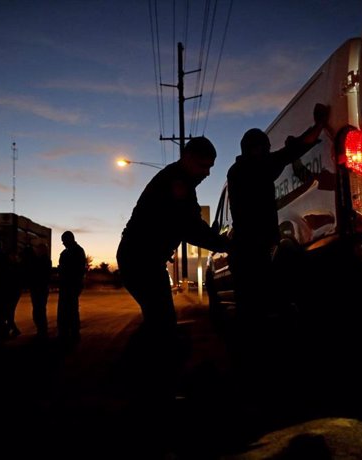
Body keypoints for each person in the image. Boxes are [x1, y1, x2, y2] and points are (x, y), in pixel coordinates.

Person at [116, 136, 229, 412]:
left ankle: (142, 380)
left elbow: (191, 226)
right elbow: (192, 228)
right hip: (139, 260)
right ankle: (143, 384)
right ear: (188, 158)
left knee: (160, 322)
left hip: (142, 260)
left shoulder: (180, 182)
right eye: (204, 165)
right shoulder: (176, 184)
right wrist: (228, 244)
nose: (207, 172)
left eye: (211, 167)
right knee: (162, 322)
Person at [226, 103, 330, 325]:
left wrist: (291, 151)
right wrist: (319, 125)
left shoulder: (238, 170)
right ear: (256, 149)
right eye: (265, 148)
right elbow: (290, 152)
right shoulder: (250, 169)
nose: (268, 152)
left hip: (246, 248)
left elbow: (283, 157)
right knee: (259, 305)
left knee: (250, 305)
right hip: (253, 248)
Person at [57, 231, 86, 345]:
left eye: (64, 240)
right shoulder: (65, 252)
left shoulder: (77, 251)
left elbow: (79, 269)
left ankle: (73, 333)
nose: (63, 243)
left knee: (71, 310)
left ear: (70, 239)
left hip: (72, 285)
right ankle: (64, 332)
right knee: (64, 310)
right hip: (65, 285)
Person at [25, 243, 52, 340]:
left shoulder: (43, 261)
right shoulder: (43, 260)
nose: (36, 251)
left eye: (38, 249)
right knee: (39, 310)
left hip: (39, 289)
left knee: (39, 310)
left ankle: (42, 331)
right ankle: (41, 330)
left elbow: (39, 274)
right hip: (39, 289)